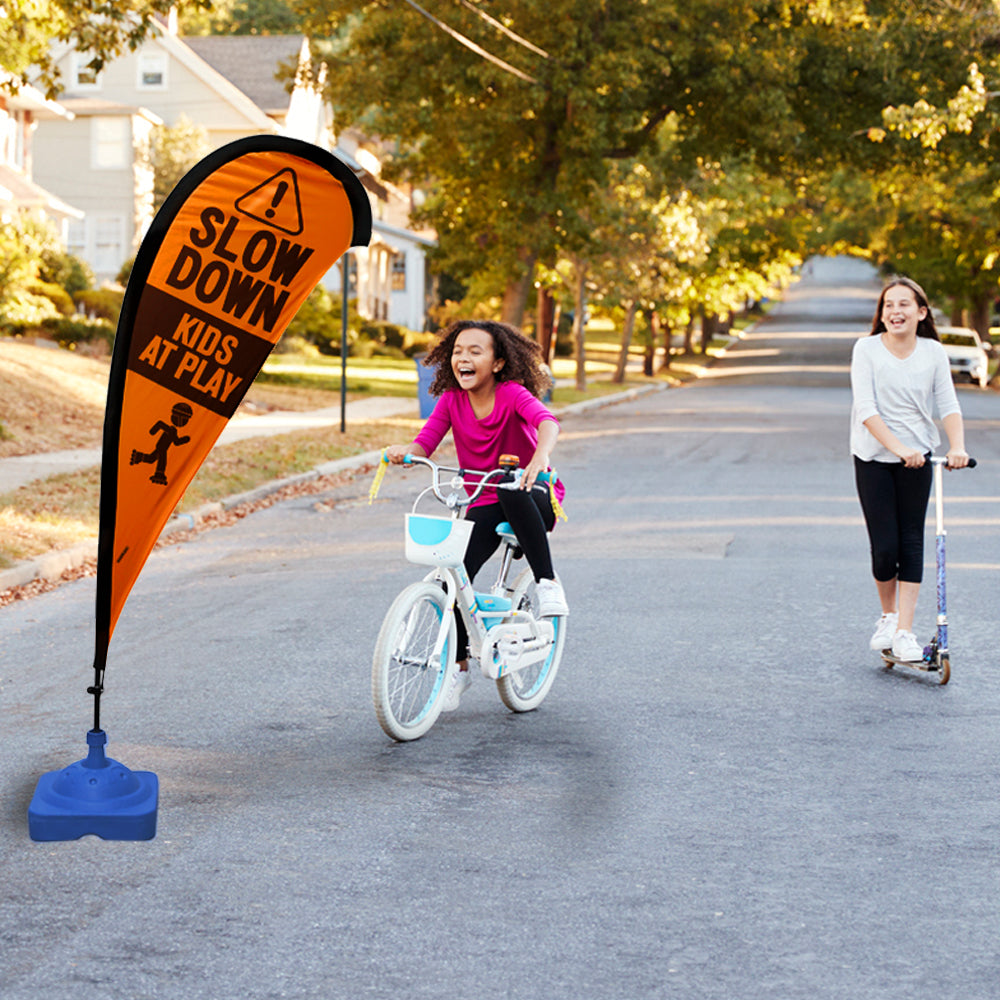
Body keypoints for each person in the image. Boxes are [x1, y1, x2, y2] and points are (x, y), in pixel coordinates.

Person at [385, 319, 568, 711]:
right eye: (457, 352)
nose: (462, 358)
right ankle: (460, 666)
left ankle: (548, 582)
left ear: (498, 363)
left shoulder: (512, 393)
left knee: (508, 481)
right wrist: (407, 453)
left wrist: (539, 456)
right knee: (454, 574)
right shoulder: (451, 400)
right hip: (486, 499)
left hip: (533, 493)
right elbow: (426, 441)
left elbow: (548, 422)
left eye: (475, 351)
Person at [850, 276, 969, 661]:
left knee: (912, 541)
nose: (894, 311)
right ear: (881, 314)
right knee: (885, 550)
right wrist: (901, 449)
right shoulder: (866, 349)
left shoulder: (933, 352)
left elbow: (947, 405)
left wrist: (958, 448)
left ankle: (904, 631)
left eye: (904, 304)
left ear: (921, 313)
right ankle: (887, 617)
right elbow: (867, 410)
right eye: (888, 305)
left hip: (918, 457)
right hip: (873, 457)